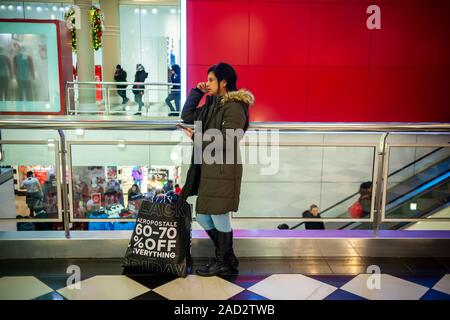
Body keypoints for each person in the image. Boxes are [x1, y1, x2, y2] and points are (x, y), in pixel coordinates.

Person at [179, 62, 254, 276]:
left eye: (211, 80)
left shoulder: (235, 106)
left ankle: (223, 261)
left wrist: (197, 137)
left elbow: (230, 139)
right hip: (210, 169)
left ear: (224, 82)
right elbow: (187, 115)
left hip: (223, 170)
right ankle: (227, 257)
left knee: (218, 216)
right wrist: (197, 92)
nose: (208, 83)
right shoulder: (213, 105)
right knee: (203, 216)